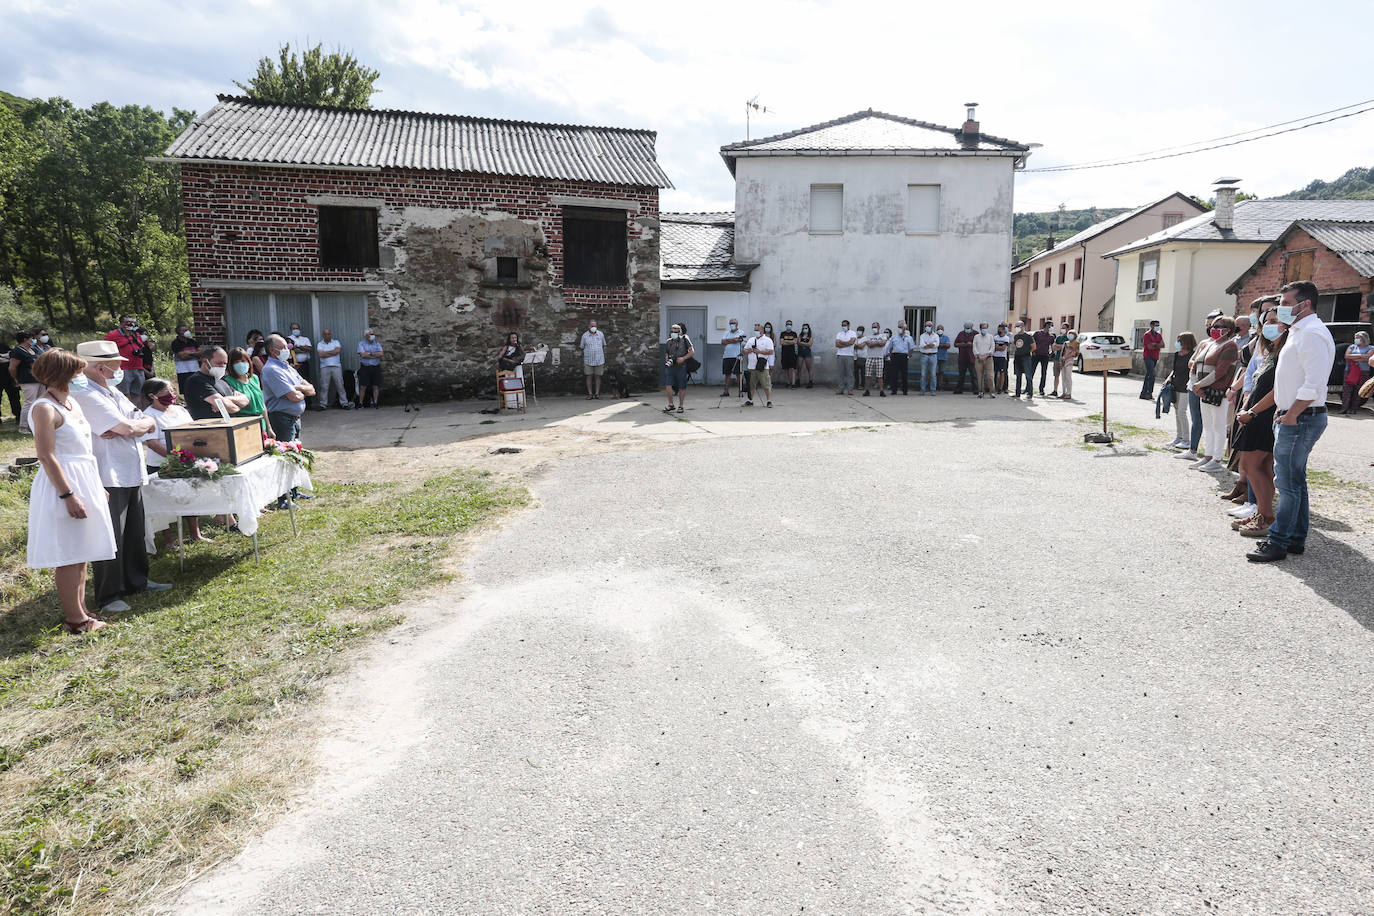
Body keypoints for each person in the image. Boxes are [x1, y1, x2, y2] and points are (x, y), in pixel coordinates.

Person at [70, 340, 172, 614]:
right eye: (117, 365)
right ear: (101, 367)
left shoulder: (112, 390)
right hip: (107, 473)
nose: (121, 370)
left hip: (129, 470)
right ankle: (109, 594)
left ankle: (137, 581)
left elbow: (142, 420)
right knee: (111, 534)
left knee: (133, 531)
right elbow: (125, 425)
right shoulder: (85, 395)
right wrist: (129, 427)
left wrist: (130, 427)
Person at [26, 349, 118, 634]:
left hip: (84, 478)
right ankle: (75, 620)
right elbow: (46, 455)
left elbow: (84, 450)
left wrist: (95, 486)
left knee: (82, 550)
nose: (81, 376)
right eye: (77, 372)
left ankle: (80, 609)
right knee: (69, 553)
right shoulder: (44, 407)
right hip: (62, 483)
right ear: (63, 374)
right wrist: (69, 495)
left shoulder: (71, 404)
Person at [1247, 282, 1336, 562]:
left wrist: (1292, 413)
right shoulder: (1298, 332)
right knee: (1294, 482)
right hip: (1292, 416)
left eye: (1286, 302)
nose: (1281, 308)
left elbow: (1314, 383)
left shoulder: (1312, 334)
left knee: (1286, 484)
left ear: (1304, 304)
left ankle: (1278, 542)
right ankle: (1295, 539)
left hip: (1301, 418)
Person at [1231, 310, 1285, 538]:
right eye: (1266, 323)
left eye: (1274, 321)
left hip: (1263, 416)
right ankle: (1263, 514)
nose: (1268, 326)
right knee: (1259, 468)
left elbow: (1277, 390)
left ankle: (1266, 515)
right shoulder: (1270, 353)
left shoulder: (1284, 354)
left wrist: (1252, 412)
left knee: (1253, 466)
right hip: (1256, 413)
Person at [140, 377, 210, 547]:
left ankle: (195, 534)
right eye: (166, 392)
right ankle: (168, 539)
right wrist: (174, 457)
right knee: (164, 502)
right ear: (152, 396)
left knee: (189, 498)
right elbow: (152, 443)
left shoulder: (180, 410)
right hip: (162, 464)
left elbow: (193, 431)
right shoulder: (148, 415)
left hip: (186, 462)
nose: (171, 395)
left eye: (172, 390)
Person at [1190, 316, 1239, 472]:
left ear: (1228, 330)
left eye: (1219, 326)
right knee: (1208, 426)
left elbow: (1220, 371)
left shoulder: (1230, 345)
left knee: (1218, 426)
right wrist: (1195, 385)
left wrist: (1199, 385)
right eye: (1213, 325)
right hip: (1203, 391)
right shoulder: (1209, 344)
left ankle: (1217, 460)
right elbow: (1195, 365)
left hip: (1218, 391)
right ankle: (1208, 456)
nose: (1214, 328)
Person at [183, 346, 249, 421]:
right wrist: (237, 405)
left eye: (225, 363)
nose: (222, 366)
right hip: (210, 429)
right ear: (205, 361)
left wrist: (227, 399)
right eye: (219, 363)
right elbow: (228, 407)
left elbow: (245, 399)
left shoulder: (221, 380)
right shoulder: (196, 381)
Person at [103, 315, 151, 398]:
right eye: (127, 322)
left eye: (132, 322)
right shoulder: (113, 335)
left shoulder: (136, 334)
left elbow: (144, 347)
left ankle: (135, 410)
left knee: (137, 394)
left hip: (138, 368)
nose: (130, 324)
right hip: (123, 368)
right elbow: (104, 347)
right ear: (121, 324)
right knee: (124, 395)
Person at [225, 347, 268, 433]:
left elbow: (262, 405)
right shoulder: (228, 381)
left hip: (260, 422)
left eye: (243, 361)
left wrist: (269, 427)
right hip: (243, 424)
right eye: (236, 362)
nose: (241, 364)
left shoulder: (254, 378)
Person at [8, 329, 43, 433]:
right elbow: (12, 367)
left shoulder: (33, 349)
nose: (34, 340)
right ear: (25, 339)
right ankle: (23, 427)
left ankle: (37, 424)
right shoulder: (18, 351)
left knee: (40, 402)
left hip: (39, 380)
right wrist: (16, 378)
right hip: (27, 380)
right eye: (32, 338)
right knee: (29, 402)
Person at [1166, 332, 1197, 449]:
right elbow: (1174, 370)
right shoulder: (1177, 354)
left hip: (1186, 387)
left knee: (1182, 412)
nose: (1177, 342)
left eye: (1180, 340)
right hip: (1175, 386)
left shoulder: (1192, 355)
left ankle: (1186, 439)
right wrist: (1168, 379)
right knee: (1176, 412)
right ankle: (1178, 437)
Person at [662, 322, 694, 413]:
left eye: (675, 332)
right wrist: (668, 360)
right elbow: (667, 353)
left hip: (681, 366)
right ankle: (671, 404)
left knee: (681, 386)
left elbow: (692, 352)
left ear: (680, 332)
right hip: (671, 366)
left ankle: (681, 406)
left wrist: (683, 358)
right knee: (668, 385)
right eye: (672, 332)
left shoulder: (685, 339)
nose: (673, 334)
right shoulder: (669, 341)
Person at [315, 329, 350, 410]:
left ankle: (344, 403)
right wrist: (332, 352)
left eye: (329, 334)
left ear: (331, 334)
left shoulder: (336, 342)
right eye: (325, 334)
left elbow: (337, 351)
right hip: (324, 367)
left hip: (336, 366)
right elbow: (321, 354)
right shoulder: (320, 344)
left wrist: (326, 353)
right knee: (324, 386)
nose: (327, 335)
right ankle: (323, 404)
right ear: (323, 335)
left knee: (340, 385)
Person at [744, 321, 774, 408]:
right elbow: (744, 351)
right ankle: (750, 400)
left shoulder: (768, 340)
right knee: (751, 384)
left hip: (762, 366)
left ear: (762, 330)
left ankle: (769, 401)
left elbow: (771, 351)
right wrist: (749, 351)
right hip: (751, 366)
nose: (755, 331)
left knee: (766, 384)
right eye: (754, 330)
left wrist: (759, 351)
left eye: (757, 330)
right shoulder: (751, 340)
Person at [1340, 330, 1372, 414]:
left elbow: (1368, 358)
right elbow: (1347, 356)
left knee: (1358, 390)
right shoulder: (1352, 347)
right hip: (1350, 371)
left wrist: (1354, 357)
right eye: (1355, 338)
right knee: (1347, 390)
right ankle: (1344, 408)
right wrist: (1361, 356)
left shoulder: (1370, 348)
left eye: (1358, 338)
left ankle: (1353, 409)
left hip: (1363, 371)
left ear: (1364, 339)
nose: (1356, 339)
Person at [580, 320, 607, 399]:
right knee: (589, 376)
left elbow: (603, 345)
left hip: (599, 359)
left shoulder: (601, 334)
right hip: (588, 359)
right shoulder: (584, 336)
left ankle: (597, 393)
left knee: (598, 376)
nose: (593, 328)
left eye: (594, 326)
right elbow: (582, 347)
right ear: (589, 326)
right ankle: (590, 394)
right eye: (592, 326)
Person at [357, 329, 384, 408]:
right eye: (371, 334)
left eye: (373, 334)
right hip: (365, 367)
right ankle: (361, 403)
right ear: (366, 336)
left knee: (376, 385)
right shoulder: (361, 344)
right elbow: (363, 355)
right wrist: (375, 355)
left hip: (375, 367)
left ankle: (375, 402)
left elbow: (381, 354)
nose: (373, 336)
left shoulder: (377, 344)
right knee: (363, 386)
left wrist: (370, 354)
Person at [170, 324, 200, 394]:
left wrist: (188, 354)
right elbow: (182, 357)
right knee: (186, 390)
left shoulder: (192, 341)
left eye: (187, 330)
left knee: (197, 388)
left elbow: (200, 352)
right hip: (183, 370)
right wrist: (195, 354)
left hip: (195, 369)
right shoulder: (175, 343)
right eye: (184, 330)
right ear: (179, 332)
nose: (187, 332)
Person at [720, 318, 745, 398]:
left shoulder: (741, 332)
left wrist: (728, 340)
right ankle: (726, 391)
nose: (732, 325)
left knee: (738, 374)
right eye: (730, 323)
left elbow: (738, 340)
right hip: (727, 356)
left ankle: (740, 391)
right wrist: (732, 340)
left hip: (736, 356)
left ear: (737, 324)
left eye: (733, 323)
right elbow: (722, 342)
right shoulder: (726, 333)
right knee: (727, 374)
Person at [887, 321, 914, 395]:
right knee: (894, 374)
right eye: (898, 327)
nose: (899, 329)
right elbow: (890, 347)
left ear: (904, 328)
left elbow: (911, 348)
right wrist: (891, 355)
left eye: (901, 327)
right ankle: (894, 390)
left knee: (904, 374)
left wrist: (908, 356)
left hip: (904, 356)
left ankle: (905, 390)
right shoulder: (894, 337)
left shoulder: (909, 338)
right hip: (895, 356)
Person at [1139, 320, 1164, 400]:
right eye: (1156, 325)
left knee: (1148, 375)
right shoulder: (1147, 334)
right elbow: (1149, 347)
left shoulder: (1159, 335)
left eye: (1158, 325)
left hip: (1155, 356)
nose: (1157, 327)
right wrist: (1157, 345)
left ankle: (1143, 393)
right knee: (1152, 374)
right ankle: (1149, 393)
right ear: (1151, 326)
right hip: (1148, 356)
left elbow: (1163, 345)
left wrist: (1154, 345)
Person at [861, 322, 886, 397]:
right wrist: (878, 343)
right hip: (870, 357)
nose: (874, 329)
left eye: (875, 327)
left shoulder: (883, 335)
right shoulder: (868, 336)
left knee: (880, 375)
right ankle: (867, 390)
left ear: (878, 328)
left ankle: (881, 390)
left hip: (879, 358)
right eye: (873, 327)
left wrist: (874, 343)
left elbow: (883, 343)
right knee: (868, 375)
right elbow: (869, 345)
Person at [970, 322, 995, 398]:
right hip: (979, 359)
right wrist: (978, 355)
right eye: (983, 328)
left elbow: (992, 346)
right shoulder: (976, 337)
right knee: (979, 376)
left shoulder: (990, 337)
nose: (984, 329)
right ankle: (981, 391)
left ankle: (992, 392)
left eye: (986, 328)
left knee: (990, 376)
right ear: (980, 329)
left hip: (988, 358)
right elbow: (974, 347)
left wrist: (987, 355)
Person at [834, 320, 857, 396]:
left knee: (849, 373)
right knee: (840, 373)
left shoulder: (853, 333)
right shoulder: (839, 334)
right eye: (842, 325)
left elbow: (851, 343)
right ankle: (841, 389)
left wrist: (842, 342)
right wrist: (847, 343)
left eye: (845, 325)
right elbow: (837, 344)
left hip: (849, 355)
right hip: (840, 355)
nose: (843, 327)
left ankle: (850, 390)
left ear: (848, 325)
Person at [1012, 322, 1035, 400]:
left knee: (1028, 376)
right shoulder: (1016, 336)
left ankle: (1030, 393)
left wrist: (1027, 352)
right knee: (1018, 376)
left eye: (1017, 326)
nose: (1016, 328)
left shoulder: (1028, 336)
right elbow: (1016, 346)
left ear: (1022, 326)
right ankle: (1017, 393)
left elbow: (1033, 347)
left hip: (1026, 357)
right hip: (1017, 357)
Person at [953, 322, 977, 394]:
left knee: (974, 375)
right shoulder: (961, 334)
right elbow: (955, 344)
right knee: (961, 375)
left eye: (968, 328)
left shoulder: (976, 334)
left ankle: (976, 389)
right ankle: (959, 389)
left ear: (972, 328)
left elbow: (979, 344)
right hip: (962, 358)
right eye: (966, 328)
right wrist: (962, 344)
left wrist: (972, 344)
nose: (967, 329)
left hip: (972, 358)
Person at [1032, 322, 1054, 395]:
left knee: (1044, 373)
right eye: (1050, 326)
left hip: (1045, 356)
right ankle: (1028, 388)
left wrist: (1051, 353)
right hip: (1036, 355)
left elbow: (1053, 345)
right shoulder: (1037, 333)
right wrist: (1032, 351)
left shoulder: (1051, 336)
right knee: (1032, 372)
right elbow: (1031, 341)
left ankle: (1041, 389)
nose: (1051, 328)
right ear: (1046, 326)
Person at [918, 321, 940, 396]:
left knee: (933, 374)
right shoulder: (922, 336)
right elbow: (921, 345)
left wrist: (928, 344)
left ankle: (933, 390)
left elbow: (936, 344)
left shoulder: (936, 335)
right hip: (924, 355)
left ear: (932, 327)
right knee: (923, 374)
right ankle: (922, 390)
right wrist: (930, 345)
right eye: (926, 326)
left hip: (933, 355)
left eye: (929, 326)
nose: (927, 327)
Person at [1058, 330, 1080, 400]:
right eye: (1069, 334)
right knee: (1063, 377)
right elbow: (1062, 352)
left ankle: (1069, 393)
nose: (1070, 335)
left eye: (1072, 334)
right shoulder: (1065, 343)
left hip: (1069, 361)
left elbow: (1075, 353)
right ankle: (1064, 392)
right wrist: (1061, 360)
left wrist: (1066, 357)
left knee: (1068, 377)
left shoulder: (1076, 343)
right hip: (1063, 361)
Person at [779, 321, 799, 388]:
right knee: (786, 369)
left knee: (793, 368)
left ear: (792, 325)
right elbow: (782, 342)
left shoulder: (794, 333)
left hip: (792, 353)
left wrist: (786, 341)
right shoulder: (782, 333)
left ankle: (793, 384)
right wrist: (791, 342)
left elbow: (795, 342)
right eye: (787, 324)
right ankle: (788, 383)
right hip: (784, 353)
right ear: (786, 325)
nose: (789, 325)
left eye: (790, 324)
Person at [992, 323, 1011, 394]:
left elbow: (1003, 348)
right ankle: (993, 387)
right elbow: (993, 348)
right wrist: (998, 348)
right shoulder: (995, 337)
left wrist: (997, 347)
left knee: (1002, 373)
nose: (998, 331)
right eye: (998, 330)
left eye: (1000, 330)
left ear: (1003, 330)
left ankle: (1000, 388)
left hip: (1002, 358)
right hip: (995, 357)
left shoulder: (1006, 338)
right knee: (994, 373)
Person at [797, 323, 814, 388]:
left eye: (806, 328)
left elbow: (810, 344)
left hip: (807, 353)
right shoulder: (800, 336)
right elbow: (798, 343)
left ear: (808, 329)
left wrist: (802, 343)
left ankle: (810, 381)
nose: (804, 329)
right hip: (800, 353)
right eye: (803, 328)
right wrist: (805, 343)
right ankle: (798, 381)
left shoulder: (810, 337)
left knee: (809, 367)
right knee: (799, 367)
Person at [935, 324, 951, 391]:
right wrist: (942, 345)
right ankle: (933, 386)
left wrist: (938, 345)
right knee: (933, 372)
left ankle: (940, 386)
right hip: (935, 357)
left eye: (941, 329)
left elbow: (948, 345)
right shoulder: (934, 336)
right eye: (938, 329)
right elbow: (933, 345)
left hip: (943, 357)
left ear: (943, 330)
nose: (940, 330)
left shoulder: (946, 337)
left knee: (941, 372)